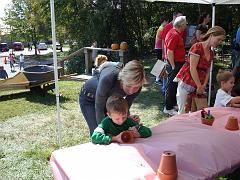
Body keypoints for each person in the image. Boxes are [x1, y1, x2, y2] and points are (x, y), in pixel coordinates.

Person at [79, 60, 145, 135]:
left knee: (116, 129)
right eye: (128, 86)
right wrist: (103, 130)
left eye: (136, 87)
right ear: (122, 80)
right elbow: (99, 108)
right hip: (89, 98)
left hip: (108, 100)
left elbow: (125, 107)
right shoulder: (108, 79)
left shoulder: (138, 87)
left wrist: (128, 118)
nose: (131, 91)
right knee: (97, 132)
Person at [175, 26, 226, 114]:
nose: (220, 42)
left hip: (199, 86)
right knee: (182, 111)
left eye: (221, 41)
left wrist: (203, 85)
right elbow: (192, 68)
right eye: (219, 39)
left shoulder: (211, 53)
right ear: (212, 35)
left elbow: (208, 71)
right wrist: (199, 86)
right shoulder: (197, 46)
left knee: (194, 112)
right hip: (187, 81)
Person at [163, 16, 188, 116]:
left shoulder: (176, 33)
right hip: (174, 64)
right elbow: (170, 52)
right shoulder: (174, 34)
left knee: (174, 85)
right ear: (181, 25)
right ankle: (168, 108)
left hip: (177, 63)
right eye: (185, 24)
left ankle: (172, 104)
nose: (186, 26)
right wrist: (173, 65)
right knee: (171, 86)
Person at [154, 16, 168, 84]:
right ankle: (157, 79)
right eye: (167, 22)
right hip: (159, 48)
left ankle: (158, 78)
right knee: (159, 63)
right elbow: (161, 39)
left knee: (160, 62)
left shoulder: (161, 28)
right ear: (164, 21)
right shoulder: (161, 28)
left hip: (159, 47)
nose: (167, 23)